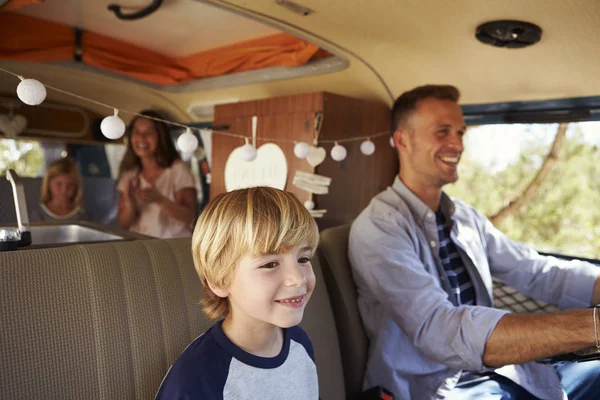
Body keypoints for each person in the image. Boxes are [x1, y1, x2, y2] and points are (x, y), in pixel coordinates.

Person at [349, 84, 600, 399]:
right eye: (442, 132)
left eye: (460, 133)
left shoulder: (465, 217)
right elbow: (439, 328)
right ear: (403, 140)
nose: (457, 144)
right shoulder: (379, 228)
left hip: (491, 372)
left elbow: (536, 271)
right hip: (433, 388)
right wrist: (592, 325)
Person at [155, 187, 320, 399]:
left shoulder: (300, 343)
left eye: (303, 259)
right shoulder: (195, 378)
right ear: (220, 280)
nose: (298, 278)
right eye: (270, 264)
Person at [116, 110, 197, 238]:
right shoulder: (129, 174)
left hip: (173, 246)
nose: (142, 138)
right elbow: (123, 224)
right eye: (137, 132)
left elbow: (190, 217)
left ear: (161, 137)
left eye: (148, 133)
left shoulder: (178, 170)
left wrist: (160, 200)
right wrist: (130, 203)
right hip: (141, 246)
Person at [31, 157, 88, 222]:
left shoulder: (83, 214)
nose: (64, 190)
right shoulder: (38, 215)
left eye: (70, 185)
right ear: (48, 184)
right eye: (59, 184)